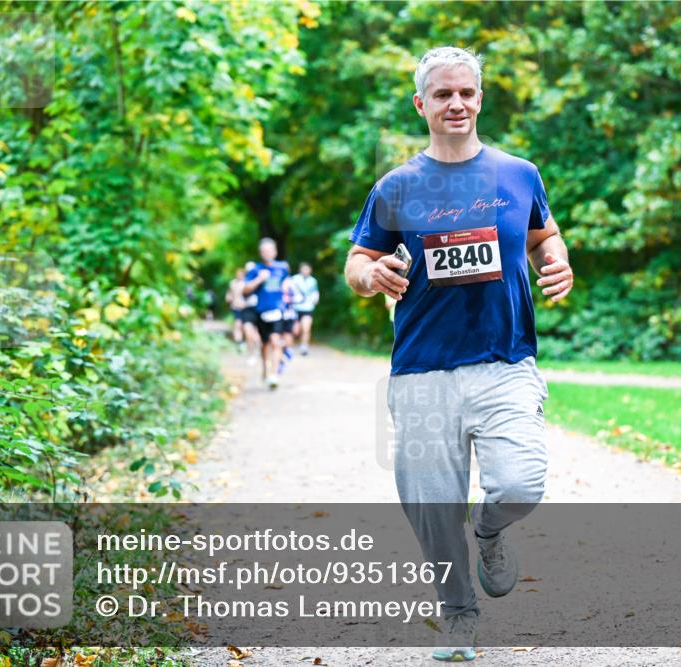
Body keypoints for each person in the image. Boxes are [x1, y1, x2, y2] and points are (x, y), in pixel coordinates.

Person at [343, 46, 574, 662]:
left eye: (466, 93)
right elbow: (357, 263)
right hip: (422, 369)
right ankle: (458, 613)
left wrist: (559, 261)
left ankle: (491, 530)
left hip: (505, 362)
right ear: (421, 104)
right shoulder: (396, 187)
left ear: (480, 98)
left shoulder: (518, 173)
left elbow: (542, 236)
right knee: (429, 507)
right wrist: (374, 278)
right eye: (443, 94)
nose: (457, 103)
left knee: (523, 483)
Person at [244, 238, 291, 389]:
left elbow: (287, 283)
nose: (268, 253)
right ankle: (265, 368)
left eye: (270, 250)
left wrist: (286, 289)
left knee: (276, 341)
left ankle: (273, 374)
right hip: (261, 311)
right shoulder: (255, 270)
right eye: (264, 251)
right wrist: (259, 279)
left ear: (275, 251)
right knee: (265, 344)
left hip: (278, 310)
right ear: (260, 253)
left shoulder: (282, 268)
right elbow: (245, 290)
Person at [291, 262, 320, 355]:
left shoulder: (313, 281)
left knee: (306, 328)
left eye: (307, 269)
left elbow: (315, 293)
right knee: (295, 331)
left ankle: (304, 347)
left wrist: (315, 300)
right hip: (295, 308)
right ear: (300, 270)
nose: (306, 271)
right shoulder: (294, 279)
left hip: (307, 308)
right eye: (304, 269)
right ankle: (289, 346)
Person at [225, 267, 249, 352]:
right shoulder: (232, 283)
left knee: (245, 326)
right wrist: (228, 298)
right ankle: (239, 342)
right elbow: (229, 293)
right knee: (237, 324)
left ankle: (246, 342)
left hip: (246, 307)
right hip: (235, 307)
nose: (238, 276)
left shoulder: (247, 283)